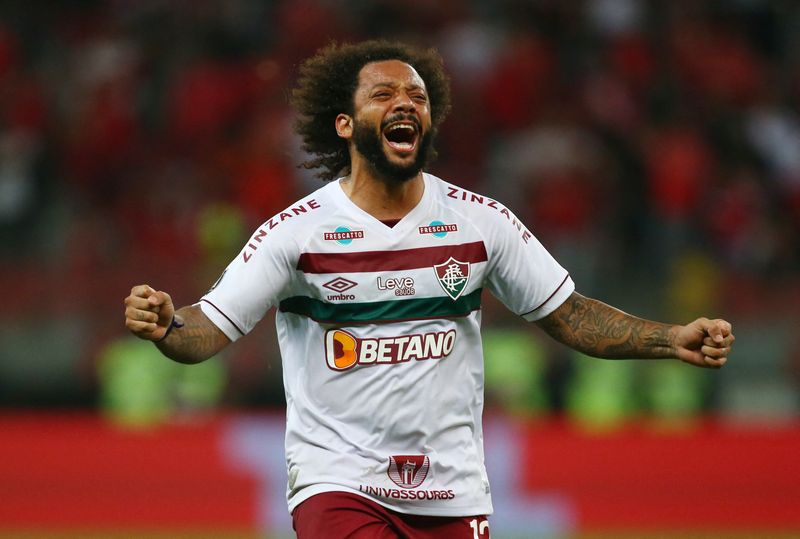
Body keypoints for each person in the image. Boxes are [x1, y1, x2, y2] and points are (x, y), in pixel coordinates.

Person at [123, 40, 734, 539]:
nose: (405, 103)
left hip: (453, 489)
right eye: (384, 93)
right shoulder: (296, 233)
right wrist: (168, 326)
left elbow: (570, 316)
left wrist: (669, 337)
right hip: (339, 483)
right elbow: (209, 327)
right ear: (345, 123)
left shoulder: (478, 222)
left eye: (416, 95)